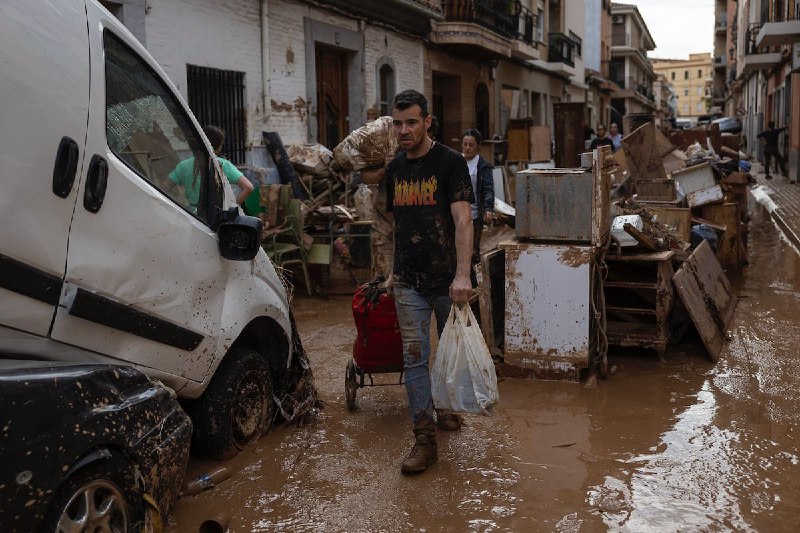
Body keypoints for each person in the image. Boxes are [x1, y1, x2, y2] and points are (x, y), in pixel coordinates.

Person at [385, 89, 473, 474]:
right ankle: (424, 440)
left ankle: (448, 407)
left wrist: (463, 274)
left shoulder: (451, 163)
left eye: (411, 122)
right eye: (398, 124)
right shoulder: (394, 170)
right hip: (409, 280)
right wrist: (392, 271)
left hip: (447, 279)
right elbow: (398, 226)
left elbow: (462, 221)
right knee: (415, 359)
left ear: (427, 123)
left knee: (452, 350)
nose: (404, 130)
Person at [168, 125, 253, 211]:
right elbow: (248, 187)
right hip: (215, 216)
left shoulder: (184, 165)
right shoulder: (222, 165)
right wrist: (231, 207)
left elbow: (165, 186)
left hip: (191, 216)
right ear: (219, 146)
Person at [461, 129, 494, 265]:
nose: (467, 148)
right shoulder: (456, 162)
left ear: (478, 146)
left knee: (473, 249)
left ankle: (474, 281)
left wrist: (488, 208)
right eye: (465, 144)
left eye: (471, 145)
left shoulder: (482, 166)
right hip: (458, 213)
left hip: (475, 214)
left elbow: (488, 188)